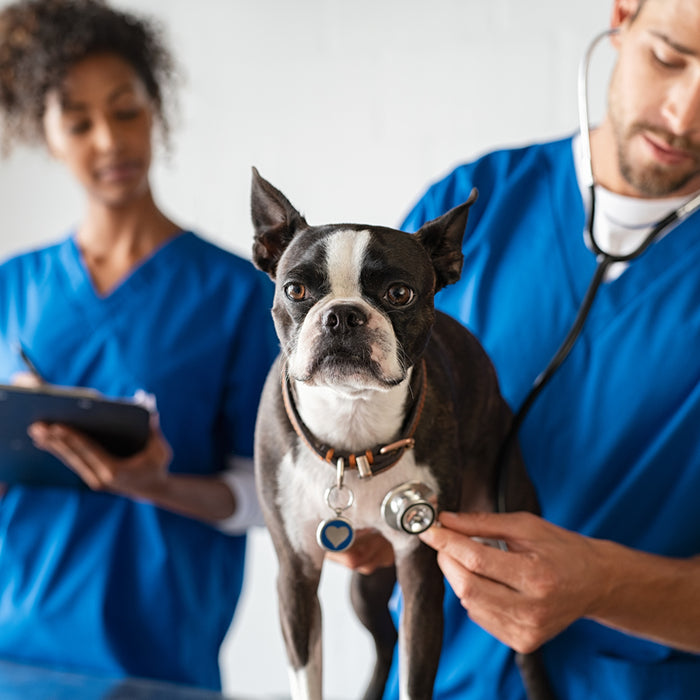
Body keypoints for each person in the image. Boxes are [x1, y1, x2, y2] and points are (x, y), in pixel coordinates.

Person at [335, 0, 700, 698]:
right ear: (623, 14)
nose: (684, 115)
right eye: (667, 57)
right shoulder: (473, 209)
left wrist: (607, 584)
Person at [0, 0, 277, 691]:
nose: (108, 142)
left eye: (126, 110)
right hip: (16, 655)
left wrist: (154, 485)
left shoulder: (237, 297)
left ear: (157, 110)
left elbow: (263, 497)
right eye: (79, 122)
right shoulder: (14, 288)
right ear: (47, 133)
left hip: (158, 664)